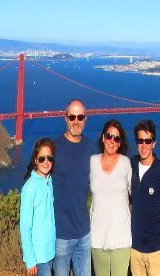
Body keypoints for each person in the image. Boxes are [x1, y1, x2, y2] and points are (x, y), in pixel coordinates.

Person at [52, 99, 94, 276]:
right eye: (72, 117)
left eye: (80, 117)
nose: (76, 121)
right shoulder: (54, 149)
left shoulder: (91, 148)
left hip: (84, 233)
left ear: (86, 119)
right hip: (61, 234)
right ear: (65, 118)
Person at [130, 119, 160, 276]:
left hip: (156, 250)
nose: (144, 145)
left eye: (148, 141)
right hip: (134, 249)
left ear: (154, 143)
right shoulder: (130, 165)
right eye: (140, 140)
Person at [90, 119, 132, 276]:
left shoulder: (126, 164)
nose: (112, 141)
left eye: (116, 138)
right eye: (109, 136)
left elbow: (136, 195)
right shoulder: (92, 162)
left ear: (120, 143)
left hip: (121, 238)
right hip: (97, 237)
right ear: (103, 138)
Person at [20, 138, 56, 276]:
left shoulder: (49, 181)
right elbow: (25, 226)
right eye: (42, 158)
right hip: (39, 256)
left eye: (49, 158)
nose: (46, 162)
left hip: (51, 251)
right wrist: (30, 260)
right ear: (35, 160)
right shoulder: (29, 188)